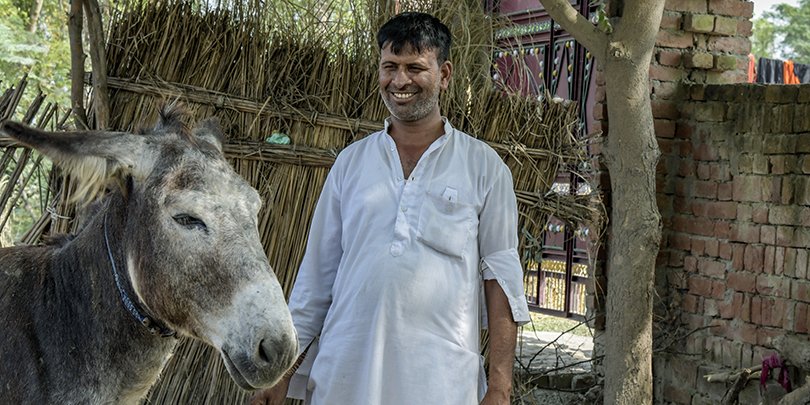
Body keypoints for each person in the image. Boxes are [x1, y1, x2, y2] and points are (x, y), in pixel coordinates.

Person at [250, 11, 529, 405]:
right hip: (344, 378)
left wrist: (500, 386)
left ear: (444, 74)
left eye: (415, 68)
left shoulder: (484, 168)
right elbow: (316, 280)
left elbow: (501, 280)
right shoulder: (350, 163)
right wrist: (282, 374)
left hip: (442, 383)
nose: (400, 81)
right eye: (390, 67)